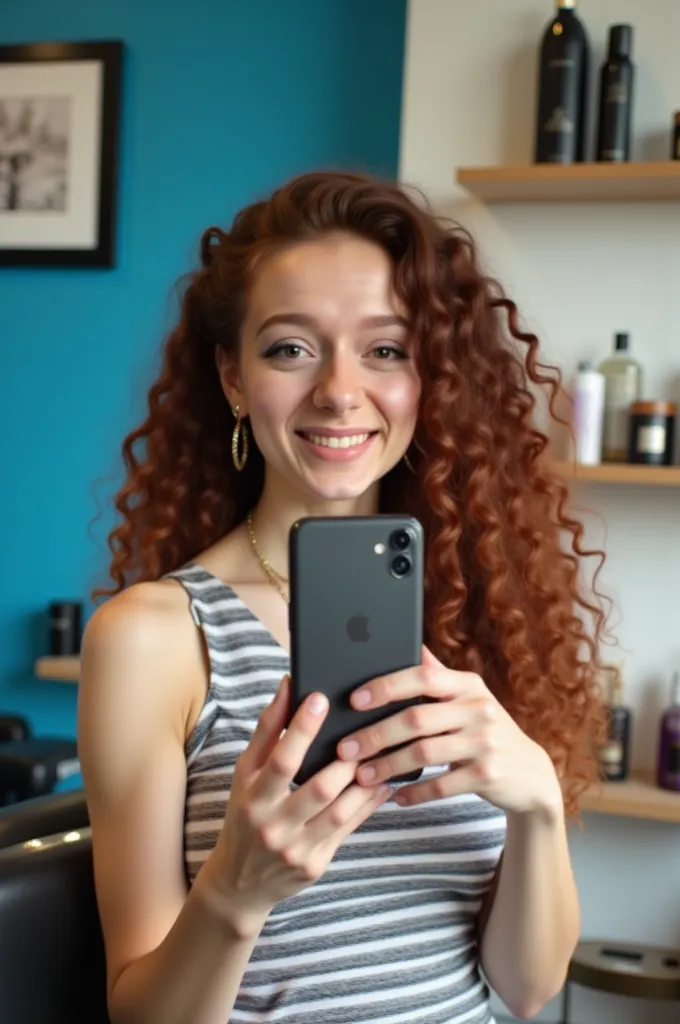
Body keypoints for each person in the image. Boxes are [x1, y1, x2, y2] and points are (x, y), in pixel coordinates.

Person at [78, 170, 607, 1024]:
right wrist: (234, 895)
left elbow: (526, 987)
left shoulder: (476, 610)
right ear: (233, 379)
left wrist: (538, 801)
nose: (339, 389)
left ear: (427, 378)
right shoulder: (155, 637)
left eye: (386, 349)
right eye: (291, 348)